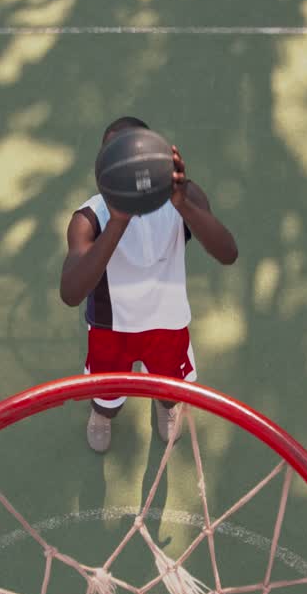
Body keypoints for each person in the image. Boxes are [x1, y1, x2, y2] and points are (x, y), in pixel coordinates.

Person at [59, 116, 239, 452]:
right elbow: (71, 293)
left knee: (169, 389)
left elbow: (228, 253)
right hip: (111, 328)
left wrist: (183, 203)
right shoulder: (89, 217)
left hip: (166, 323)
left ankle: (165, 407)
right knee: (105, 395)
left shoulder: (181, 199)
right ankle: (101, 415)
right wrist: (118, 220)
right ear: (104, 167)